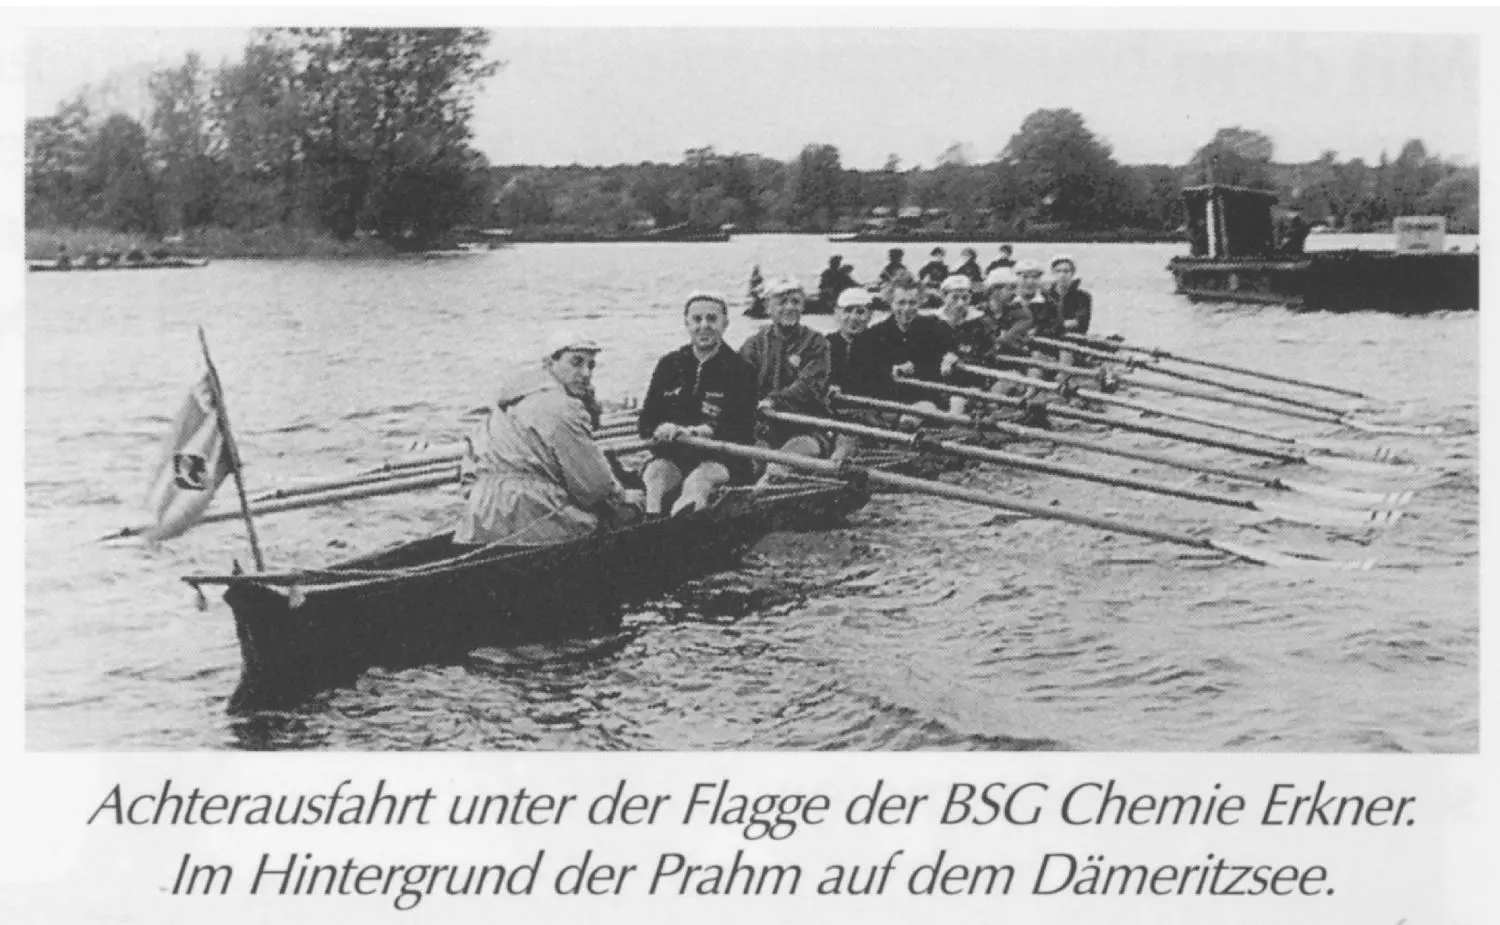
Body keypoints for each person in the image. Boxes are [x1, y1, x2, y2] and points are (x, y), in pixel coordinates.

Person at [454, 330, 642, 546]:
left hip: (481, 514)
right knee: (627, 511)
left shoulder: (506, 404)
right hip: (533, 510)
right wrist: (623, 496)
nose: (586, 373)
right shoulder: (563, 407)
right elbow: (595, 488)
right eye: (576, 362)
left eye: (591, 365)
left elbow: (468, 471)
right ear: (550, 363)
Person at [639, 293, 759, 515]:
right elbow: (645, 421)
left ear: (725, 324)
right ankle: (651, 521)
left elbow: (743, 429)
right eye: (697, 319)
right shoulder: (669, 364)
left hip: (722, 460)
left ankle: (683, 520)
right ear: (687, 324)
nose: (704, 326)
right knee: (655, 476)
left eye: (712, 319)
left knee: (697, 482)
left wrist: (705, 431)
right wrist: (660, 428)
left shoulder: (741, 370)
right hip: (676, 454)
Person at [738, 277, 835, 466]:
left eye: (795, 302)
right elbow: (739, 383)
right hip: (764, 426)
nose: (789, 307)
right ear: (768, 307)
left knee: (781, 464)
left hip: (807, 427)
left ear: (803, 307)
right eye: (782, 302)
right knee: (750, 462)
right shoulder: (753, 344)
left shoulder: (817, 343)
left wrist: (774, 401)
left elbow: (808, 386)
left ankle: (767, 483)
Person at [855, 277, 959, 410]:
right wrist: (891, 370)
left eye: (912, 303)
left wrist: (951, 356)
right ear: (890, 303)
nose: (906, 309)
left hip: (928, 399)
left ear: (921, 302)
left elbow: (954, 345)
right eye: (901, 303)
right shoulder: (875, 334)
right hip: (889, 400)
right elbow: (868, 371)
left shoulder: (936, 326)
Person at [1049, 255, 1093, 336]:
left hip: (1073, 339)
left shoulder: (1083, 297)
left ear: (1072, 273)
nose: (1062, 275)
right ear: (1052, 273)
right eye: (1058, 271)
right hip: (1048, 337)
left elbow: (1081, 323)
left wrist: (1053, 325)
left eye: (1066, 271)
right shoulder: (1045, 295)